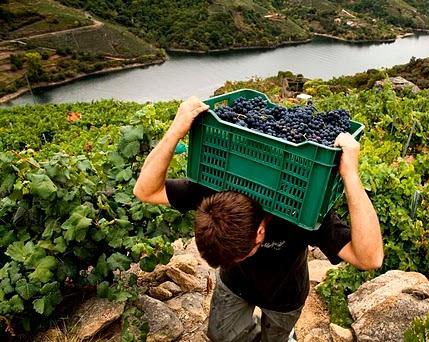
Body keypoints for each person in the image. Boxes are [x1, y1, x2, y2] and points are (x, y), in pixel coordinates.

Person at [134, 96, 384, 342]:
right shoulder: (212, 191)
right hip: (233, 286)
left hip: (285, 297)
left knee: (276, 337)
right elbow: (145, 190)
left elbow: (370, 258)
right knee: (220, 335)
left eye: (241, 256)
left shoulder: (301, 209)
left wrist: (351, 175)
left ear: (260, 233)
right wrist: (176, 130)